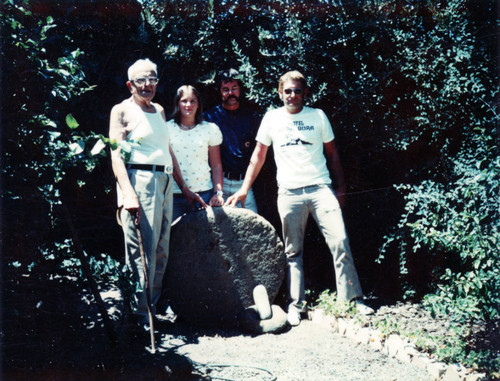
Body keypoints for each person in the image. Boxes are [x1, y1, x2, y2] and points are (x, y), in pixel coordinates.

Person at [226, 70, 374, 326]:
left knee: (340, 242)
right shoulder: (271, 118)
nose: (292, 96)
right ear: (280, 93)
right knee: (292, 252)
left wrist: (340, 188)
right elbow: (258, 156)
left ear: (304, 92)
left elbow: (333, 154)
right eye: (288, 91)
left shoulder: (317, 116)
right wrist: (243, 189)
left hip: (320, 189)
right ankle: (296, 306)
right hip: (289, 193)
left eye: (297, 91)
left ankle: (352, 301)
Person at [109, 59, 203, 329]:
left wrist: (183, 187)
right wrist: (128, 194)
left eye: (152, 79)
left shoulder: (160, 110)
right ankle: (139, 316)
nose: (148, 85)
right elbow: (116, 156)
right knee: (142, 250)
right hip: (139, 181)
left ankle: (151, 309)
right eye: (141, 80)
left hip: (163, 181)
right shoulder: (121, 111)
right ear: (130, 85)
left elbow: (167, 150)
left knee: (161, 249)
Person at [203, 69, 261, 213]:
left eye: (234, 88)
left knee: (252, 227)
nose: (231, 93)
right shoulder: (210, 118)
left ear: (240, 89)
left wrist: (245, 187)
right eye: (226, 89)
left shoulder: (252, 117)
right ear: (219, 92)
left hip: (244, 184)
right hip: (217, 184)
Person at [167, 85, 224, 220]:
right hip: (174, 195)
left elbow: (216, 166)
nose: (189, 105)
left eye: (193, 101)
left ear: (198, 104)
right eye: (184, 101)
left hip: (204, 194)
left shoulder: (210, 129)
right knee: (174, 238)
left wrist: (218, 193)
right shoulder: (166, 128)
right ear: (177, 104)